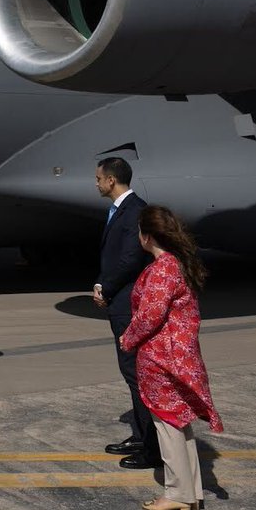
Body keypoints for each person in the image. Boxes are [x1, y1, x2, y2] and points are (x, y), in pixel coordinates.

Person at [120, 205, 223, 510]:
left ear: (147, 236)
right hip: (174, 356)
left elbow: (150, 315)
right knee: (177, 423)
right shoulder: (175, 264)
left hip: (162, 359)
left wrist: (128, 338)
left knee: (168, 425)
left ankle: (178, 492)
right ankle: (189, 493)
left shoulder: (163, 268)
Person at [94, 157, 160, 469]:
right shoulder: (121, 209)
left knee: (136, 374)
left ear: (111, 180)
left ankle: (153, 449)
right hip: (118, 300)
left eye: (98, 178)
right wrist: (100, 283)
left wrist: (105, 288)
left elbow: (131, 258)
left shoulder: (135, 211)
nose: (96, 183)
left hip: (127, 304)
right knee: (130, 372)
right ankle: (142, 434)